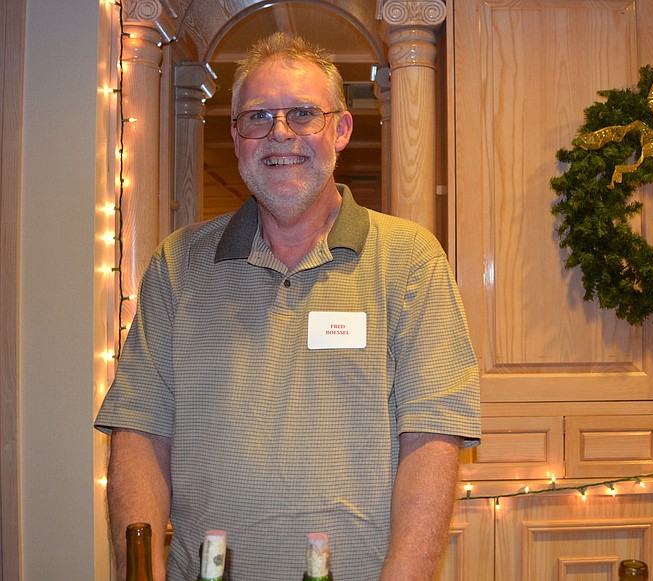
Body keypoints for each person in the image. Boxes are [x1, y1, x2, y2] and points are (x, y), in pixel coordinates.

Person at [95, 32, 480, 581]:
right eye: (258, 117)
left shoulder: (410, 260)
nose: (280, 133)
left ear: (341, 130)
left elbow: (432, 439)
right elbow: (139, 434)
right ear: (236, 137)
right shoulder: (177, 266)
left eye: (303, 114)